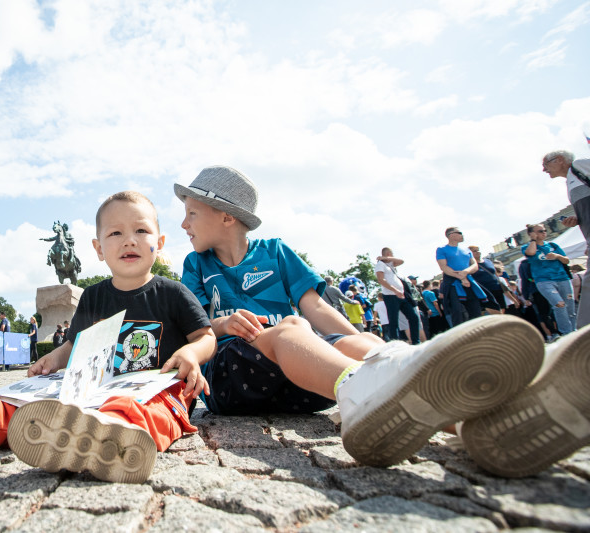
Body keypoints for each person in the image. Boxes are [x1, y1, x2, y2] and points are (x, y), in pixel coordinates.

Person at [175, 164, 590, 477]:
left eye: (191, 213)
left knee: (356, 342)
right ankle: (361, 393)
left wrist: (364, 343)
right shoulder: (195, 264)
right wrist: (224, 323)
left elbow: (317, 307)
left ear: (226, 215)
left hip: (303, 378)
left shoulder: (276, 250)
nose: (183, 224)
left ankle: (482, 423)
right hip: (235, 380)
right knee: (294, 328)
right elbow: (192, 326)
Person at [0, 191, 216, 485]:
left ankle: (117, 438)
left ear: (159, 243)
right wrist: (55, 358)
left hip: (158, 388)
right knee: (40, 406)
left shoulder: (173, 293)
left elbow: (207, 337)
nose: (129, 240)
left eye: (141, 230)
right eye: (115, 234)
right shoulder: (93, 296)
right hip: (97, 388)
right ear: (98, 249)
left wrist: (191, 354)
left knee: (153, 411)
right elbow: (75, 345)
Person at [542, 150, 590, 328]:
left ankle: (584, 333)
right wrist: (578, 219)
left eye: (546, 164)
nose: (544, 170)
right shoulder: (571, 181)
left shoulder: (579, 165)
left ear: (560, 160)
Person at [522, 223, 576, 336]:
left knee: (569, 306)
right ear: (532, 233)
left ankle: (574, 330)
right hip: (544, 281)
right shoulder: (527, 247)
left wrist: (557, 256)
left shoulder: (553, 245)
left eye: (544, 230)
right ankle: (566, 333)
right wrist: (533, 240)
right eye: (540, 231)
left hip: (562, 278)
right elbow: (530, 253)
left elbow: (566, 260)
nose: (544, 233)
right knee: (559, 304)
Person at [436, 228, 486, 326]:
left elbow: (474, 265)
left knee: (475, 311)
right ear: (451, 235)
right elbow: (444, 267)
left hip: (469, 282)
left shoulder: (467, 250)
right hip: (453, 283)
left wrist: (465, 272)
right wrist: (461, 277)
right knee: (457, 313)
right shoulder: (441, 249)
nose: (462, 235)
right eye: (460, 233)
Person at [375, 248, 420, 344]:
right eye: (391, 254)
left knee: (413, 317)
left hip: (401, 295)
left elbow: (401, 261)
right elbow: (381, 280)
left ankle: (416, 341)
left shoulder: (391, 265)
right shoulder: (380, 265)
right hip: (390, 295)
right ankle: (394, 342)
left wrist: (387, 257)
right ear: (388, 253)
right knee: (393, 320)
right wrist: (395, 290)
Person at [467, 245, 504, 314]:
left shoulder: (488, 261)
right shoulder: (469, 265)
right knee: (495, 312)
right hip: (485, 292)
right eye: (474, 251)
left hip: (497, 289)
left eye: (478, 250)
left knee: (502, 311)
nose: (477, 252)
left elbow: (495, 274)